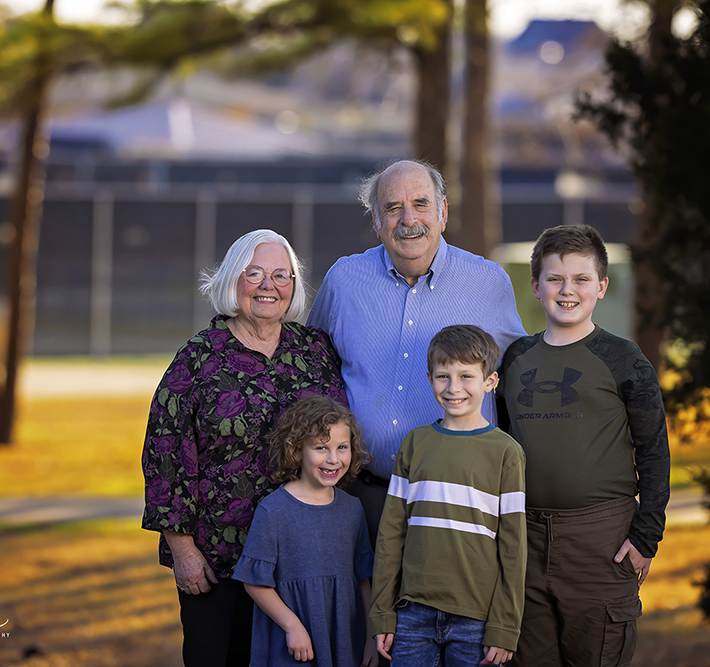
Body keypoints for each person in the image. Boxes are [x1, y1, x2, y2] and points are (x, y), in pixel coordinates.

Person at [141, 229, 349, 667]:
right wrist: (183, 551)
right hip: (218, 561)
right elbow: (165, 455)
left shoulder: (315, 351)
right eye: (254, 273)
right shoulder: (199, 357)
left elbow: (339, 437)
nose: (268, 285)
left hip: (298, 561)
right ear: (233, 280)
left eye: (280, 274)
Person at [307, 159, 527, 542]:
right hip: (361, 498)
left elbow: (520, 375)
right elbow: (310, 370)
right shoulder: (343, 282)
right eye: (393, 208)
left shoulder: (489, 283)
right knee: (365, 602)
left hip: (457, 502)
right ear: (376, 221)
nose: (409, 219)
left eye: (421, 204)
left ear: (442, 212)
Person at [494, 224, 670, 667]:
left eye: (580, 279)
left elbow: (654, 451)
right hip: (525, 542)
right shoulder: (514, 360)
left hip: (600, 543)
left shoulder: (623, 358)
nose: (566, 290)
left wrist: (646, 537)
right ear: (535, 286)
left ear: (602, 286)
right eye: (554, 278)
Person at [370, 325, 527, 667]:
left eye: (466, 376)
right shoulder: (415, 444)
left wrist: (505, 625)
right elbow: (390, 535)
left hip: (477, 619)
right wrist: (382, 611)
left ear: (490, 381)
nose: (454, 388)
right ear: (430, 379)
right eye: (443, 376)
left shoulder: (506, 452)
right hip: (412, 615)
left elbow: (514, 549)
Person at [233, 395, 378, 667]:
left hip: (344, 639)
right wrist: (292, 627)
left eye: (342, 447)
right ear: (297, 450)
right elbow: (254, 581)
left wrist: (371, 637)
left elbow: (362, 580)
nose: (333, 459)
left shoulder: (352, 509)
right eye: (321, 448)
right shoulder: (273, 510)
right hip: (294, 642)